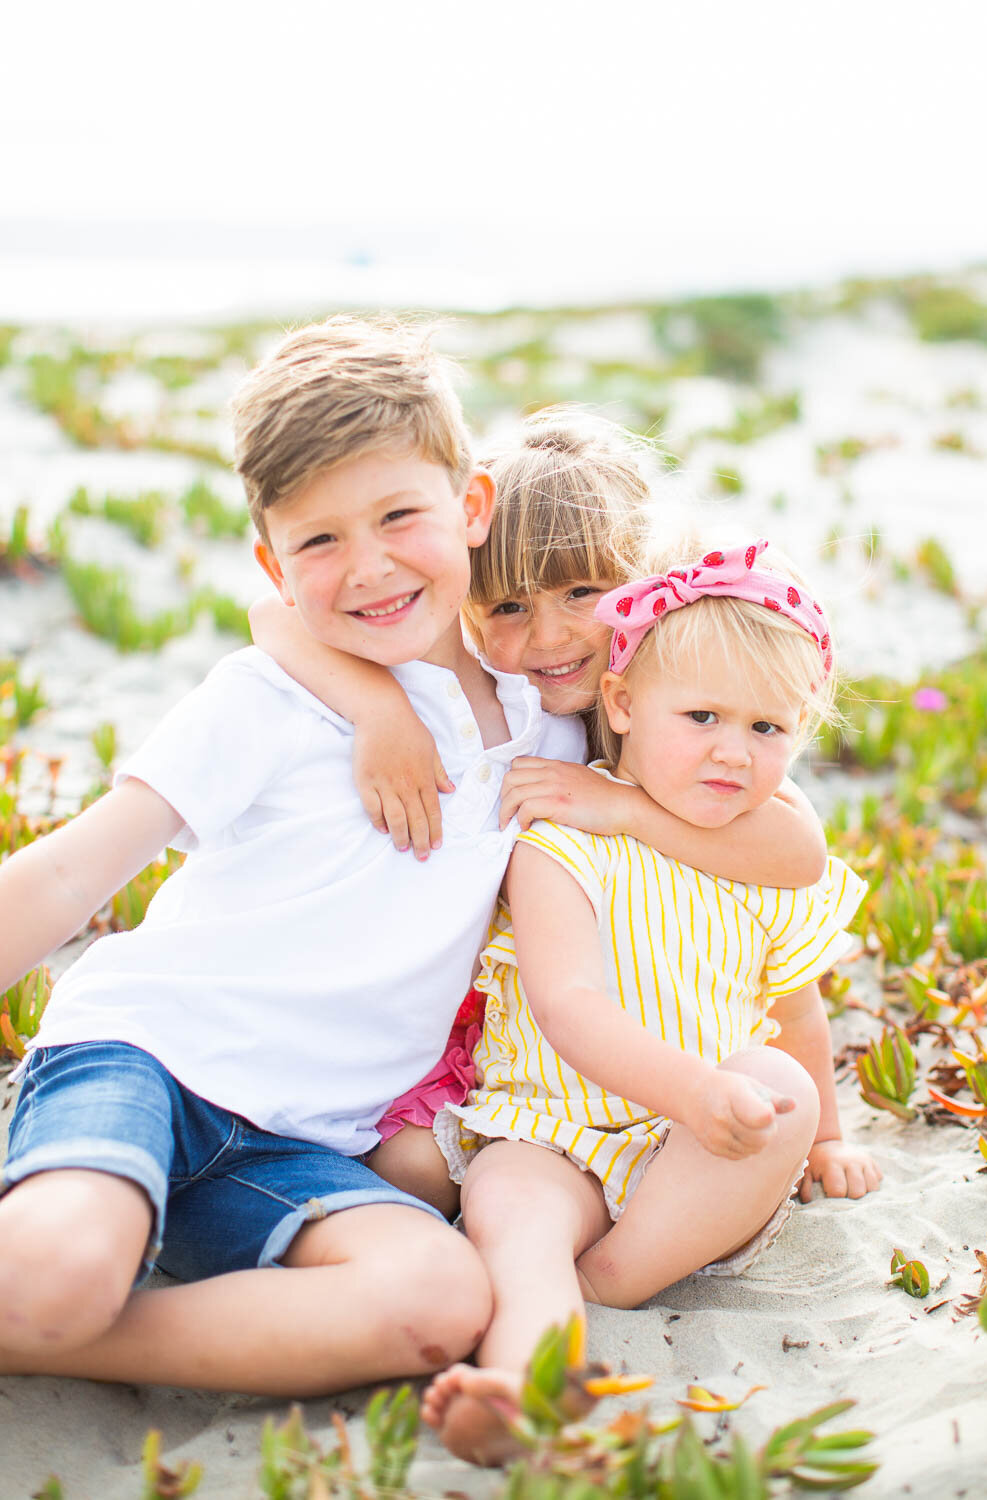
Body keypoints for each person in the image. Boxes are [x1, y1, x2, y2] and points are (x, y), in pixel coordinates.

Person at [0, 315, 591, 1396]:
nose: (368, 567)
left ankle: (73, 1330)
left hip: (303, 1145)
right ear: (275, 562)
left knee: (437, 1304)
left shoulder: (546, 717)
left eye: (399, 516)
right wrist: (368, 700)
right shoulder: (265, 698)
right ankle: (51, 1302)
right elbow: (73, 873)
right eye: (320, 542)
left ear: (472, 507)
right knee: (58, 1269)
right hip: (148, 1061)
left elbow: (708, 690)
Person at [249, 415, 830, 1218]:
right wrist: (380, 710)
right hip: (515, 1030)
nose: (549, 635)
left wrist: (621, 807)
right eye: (511, 605)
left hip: (655, 1009)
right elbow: (272, 614)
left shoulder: (680, 694)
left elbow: (800, 851)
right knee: (412, 1165)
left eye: (582, 594)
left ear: (640, 581)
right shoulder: (484, 680)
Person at [420, 533, 881, 1464]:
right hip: (555, 1125)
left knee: (776, 1084)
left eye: (767, 729)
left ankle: (617, 1281)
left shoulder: (760, 860)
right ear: (623, 705)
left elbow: (797, 1010)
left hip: (699, 1151)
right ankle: (526, 1386)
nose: (734, 753)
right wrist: (692, 1092)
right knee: (517, 1210)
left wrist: (826, 1135)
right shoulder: (566, 836)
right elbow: (569, 1004)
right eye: (703, 716)